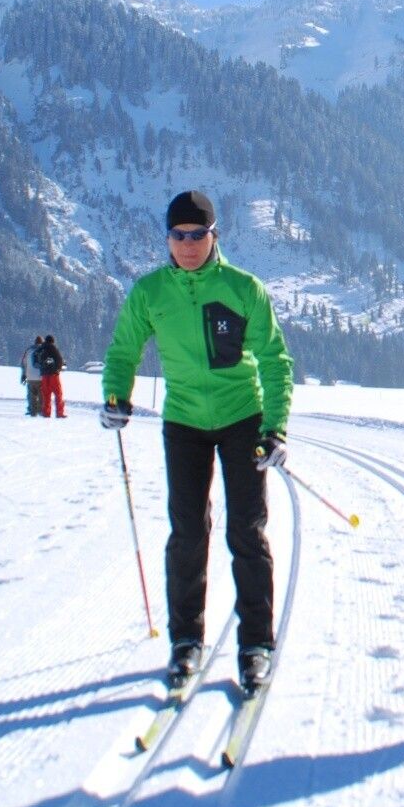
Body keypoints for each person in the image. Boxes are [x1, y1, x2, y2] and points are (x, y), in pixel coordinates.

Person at [100, 190, 294, 695]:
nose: (188, 245)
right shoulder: (150, 293)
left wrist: (275, 427)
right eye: (178, 235)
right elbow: (124, 348)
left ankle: (256, 645)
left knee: (247, 532)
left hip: (242, 419)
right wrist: (117, 396)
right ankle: (186, 640)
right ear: (167, 238)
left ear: (214, 235)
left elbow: (275, 361)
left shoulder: (243, 288)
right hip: (184, 422)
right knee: (187, 533)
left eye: (197, 235)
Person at [37, 334, 66, 418]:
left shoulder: (41, 349)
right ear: (52, 341)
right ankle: (59, 413)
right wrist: (58, 369)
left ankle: (46, 413)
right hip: (53, 375)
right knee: (58, 394)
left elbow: (37, 360)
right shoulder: (53, 348)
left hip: (44, 375)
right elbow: (59, 360)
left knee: (46, 395)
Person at [20, 335, 44, 416]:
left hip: (30, 376)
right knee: (41, 395)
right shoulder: (44, 350)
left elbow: (24, 364)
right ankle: (40, 410)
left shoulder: (28, 351)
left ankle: (32, 410)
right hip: (41, 376)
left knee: (31, 395)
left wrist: (23, 375)